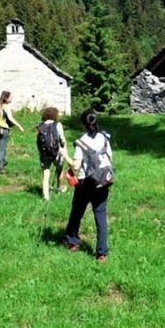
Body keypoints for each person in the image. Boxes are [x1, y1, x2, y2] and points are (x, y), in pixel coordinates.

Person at [63, 108, 113, 262]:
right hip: (103, 181)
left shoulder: (81, 142)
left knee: (77, 211)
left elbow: (76, 166)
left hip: (86, 183)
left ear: (83, 124)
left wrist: (64, 155)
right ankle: (102, 252)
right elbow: (110, 157)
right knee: (101, 215)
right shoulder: (104, 138)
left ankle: (72, 242)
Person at [37, 106, 69, 201]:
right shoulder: (57, 125)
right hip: (56, 153)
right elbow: (62, 139)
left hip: (44, 154)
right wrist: (64, 150)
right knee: (59, 169)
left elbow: (38, 141)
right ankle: (59, 187)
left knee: (45, 175)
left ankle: (46, 197)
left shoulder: (40, 126)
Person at [0, 90, 24, 174]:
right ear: (7, 98)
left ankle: (3, 161)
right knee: (2, 147)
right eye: (11, 97)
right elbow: (10, 118)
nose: (12, 98)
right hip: (3, 130)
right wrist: (19, 126)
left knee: (2, 146)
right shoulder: (6, 107)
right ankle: (0, 166)